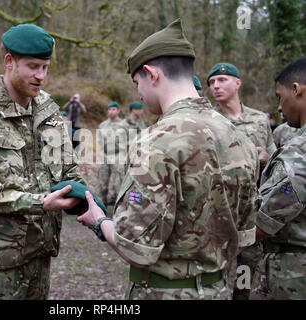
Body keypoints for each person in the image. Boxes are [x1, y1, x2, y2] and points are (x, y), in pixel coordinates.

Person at [77, 19, 260, 300]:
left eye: (137, 82)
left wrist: (99, 221)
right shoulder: (240, 138)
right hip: (219, 290)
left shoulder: (155, 142)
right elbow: (244, 236)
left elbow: (135, 249)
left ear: (152, 74)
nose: (138, 92)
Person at [0, 24, 85, 300]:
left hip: (41, 253)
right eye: (33, 67)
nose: (41, 76)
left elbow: (67, 167)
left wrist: (85, 198)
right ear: (9, 62)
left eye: (46, 67)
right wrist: (42, 203)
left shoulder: (48, 109)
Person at [207, 62, 277, 299]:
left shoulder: (259, 120)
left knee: (247, 273)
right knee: (215, 277)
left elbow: (273, 158)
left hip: (252, 214)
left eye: (221, 80)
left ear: (237, 83)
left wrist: (266, 157)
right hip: (218, 212)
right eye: (212, 82)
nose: (216, 86)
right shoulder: (208, 120)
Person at [251, 57, 306, 300]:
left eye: (279, 95)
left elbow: (262, 224)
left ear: (296, 89)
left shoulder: (299, 152)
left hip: (291, 273)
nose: (280, 105)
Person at [96, 102, 127, 208]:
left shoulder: (124, 125)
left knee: (118, 182)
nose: (111, 111)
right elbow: (99, 140)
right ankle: (100, 206)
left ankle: (120, 207)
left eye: (113, 109)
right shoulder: (103, 125)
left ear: (118, 111)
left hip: (118, 155)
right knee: (102, 182)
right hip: (104, 155)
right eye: (109, 109)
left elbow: (129, 141)